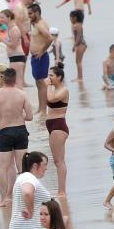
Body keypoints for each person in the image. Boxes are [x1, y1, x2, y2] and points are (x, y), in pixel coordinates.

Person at [0, 67, 33, 207]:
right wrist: (18, 117)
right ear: (15, 79)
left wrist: (4, 119)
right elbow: (30, 117)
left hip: (5, 132)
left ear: (4, 79)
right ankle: (24, 196)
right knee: (22, 167)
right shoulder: (22, 94)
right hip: (21, 131)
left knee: (3, 167)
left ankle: (4, 199)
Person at [7, 151, 52, 229]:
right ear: (35, 166)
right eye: (44, 164)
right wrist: (30, 211)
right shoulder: (28, 177)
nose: (46, 168)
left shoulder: (25, 177)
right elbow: (27, 192)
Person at [45, 64, 69, 196]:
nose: (49, 78)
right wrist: (47, 86)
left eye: (51, 76)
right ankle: (61, 190)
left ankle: (62, 191)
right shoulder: (53, 89)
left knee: (59, 161)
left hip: (59, 125)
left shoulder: (63, 90)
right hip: (52, 125)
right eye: (49, 75)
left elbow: (51, 99)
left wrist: (48, 85)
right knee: (57, 160)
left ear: (59, 77)